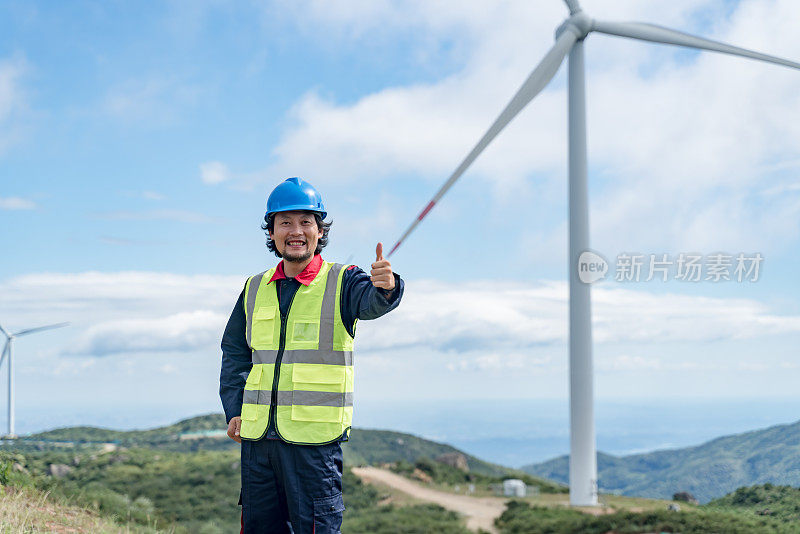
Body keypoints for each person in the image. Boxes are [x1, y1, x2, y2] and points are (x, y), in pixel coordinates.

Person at [219, 177, 403, 533]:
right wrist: (235, 409)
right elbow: (235, 352)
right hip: (258, 444)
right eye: (285, 222)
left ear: (320, 231)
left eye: (306, 222)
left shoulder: (344, 281)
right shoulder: (253, 287)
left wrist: (388, 288)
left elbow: (372, 301)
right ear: (271, 232)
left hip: (313, 446)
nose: (296, 231)